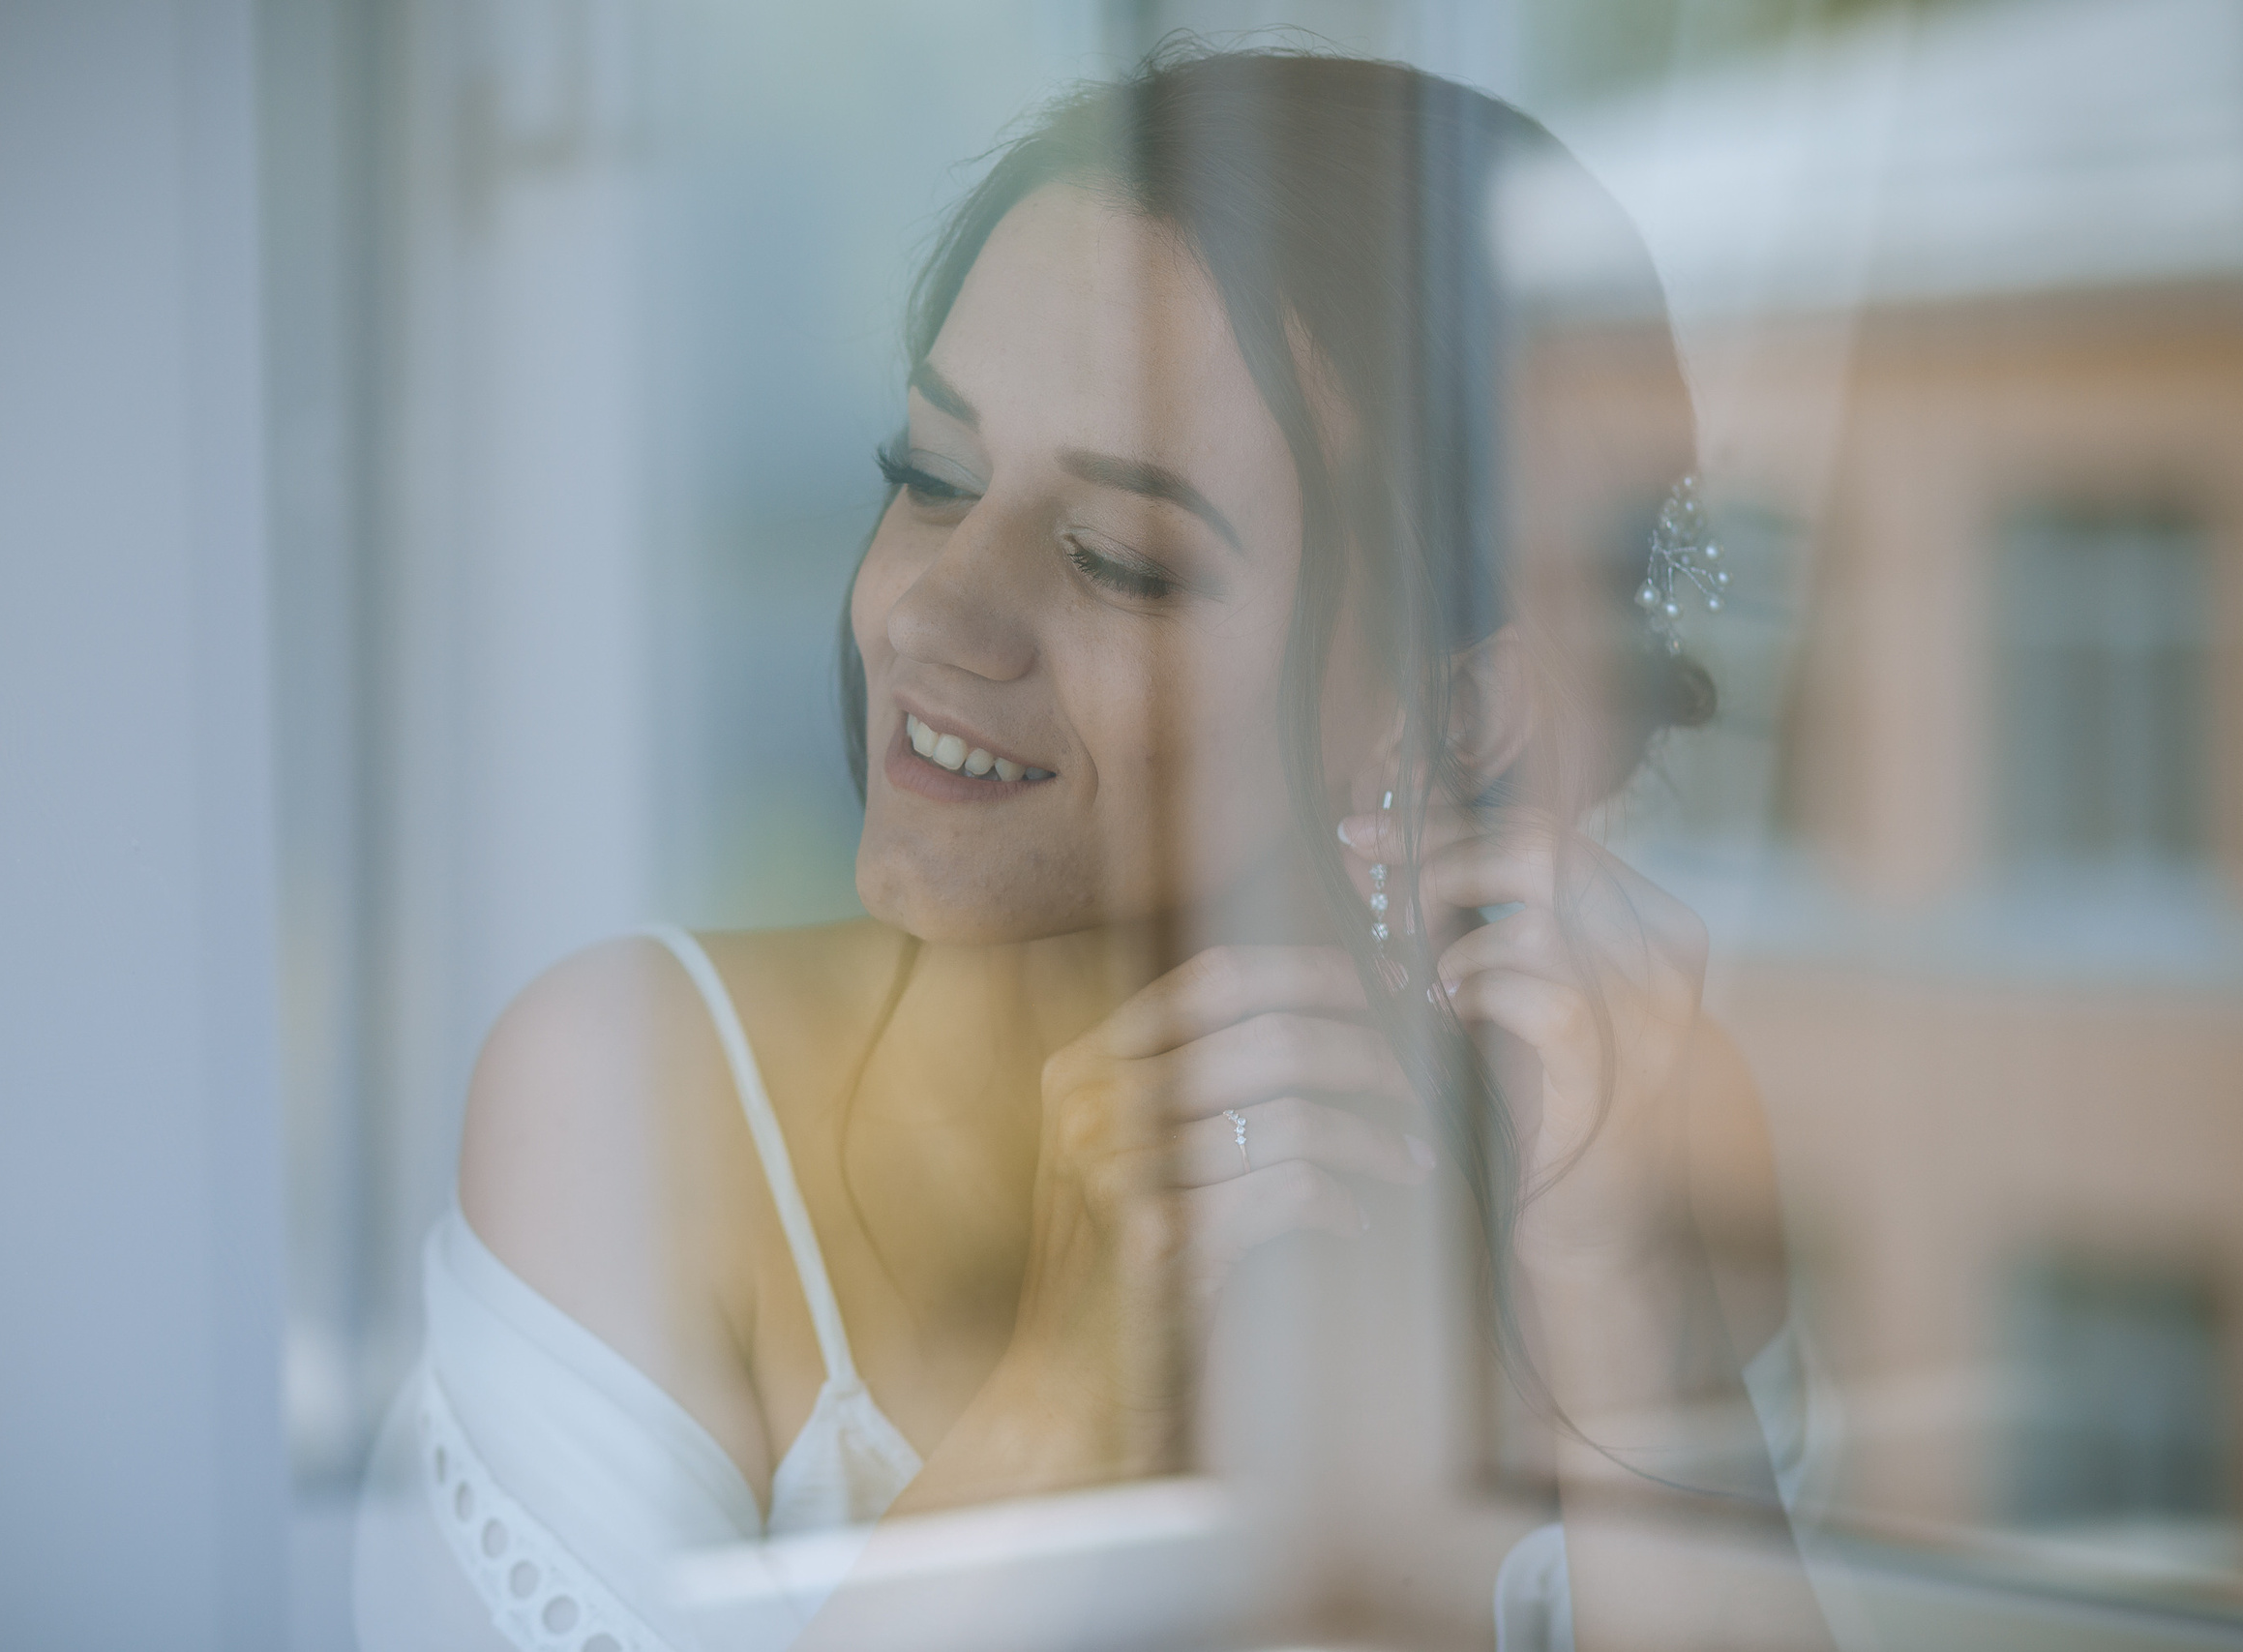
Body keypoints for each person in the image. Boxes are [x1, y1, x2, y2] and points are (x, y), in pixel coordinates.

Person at [357, 47, 1841, 1652]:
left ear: (1459, 708)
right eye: (928, 477)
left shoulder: (1624, 1139)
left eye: (1116, 557)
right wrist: (1068, 1383)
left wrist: (1614, 1293)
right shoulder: (633, 1104)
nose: (935, 611)